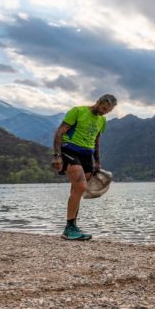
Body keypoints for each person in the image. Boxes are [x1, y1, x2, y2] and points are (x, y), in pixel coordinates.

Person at [51, 94, 117, 240]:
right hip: (70, 150)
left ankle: (72, 226)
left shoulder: (102, 120)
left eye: (108, 111)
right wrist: (57, 155)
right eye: (104, 108)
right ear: (98, 102)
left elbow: (96, 140)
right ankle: (69, 228)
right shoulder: (78, 111)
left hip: (87, 156)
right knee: (81, 187)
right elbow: (60, 132)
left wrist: (97, 161)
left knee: (76, 190)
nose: (104, 112)